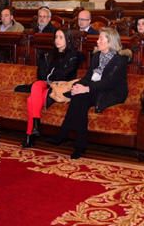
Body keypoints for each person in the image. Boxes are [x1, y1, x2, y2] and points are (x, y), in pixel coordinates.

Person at [49, 27, 131, 159]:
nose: (97, 41)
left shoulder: (119, 60)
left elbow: (108, 83)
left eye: (100, 39)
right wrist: (77, 85)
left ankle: (64, 135)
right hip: (95, 89)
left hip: (111, 92)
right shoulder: (97, 55)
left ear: (110, 42)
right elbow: (88, 77)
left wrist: (86, 89)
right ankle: (79, 145)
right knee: (78, 97)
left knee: (80, 97)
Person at [19, 29, 81, 148]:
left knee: (31, 100)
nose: (57, 40)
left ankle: (29, 135)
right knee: (37, 84)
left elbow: (65, 76)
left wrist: (52, 76)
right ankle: (36, 125)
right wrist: (44, 62)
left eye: (61, 37)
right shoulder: (49, 54)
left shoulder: (73, 56)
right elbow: (41, 75)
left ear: (68, 39)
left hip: (59, 87)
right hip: (46, 84)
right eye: (56, 37)